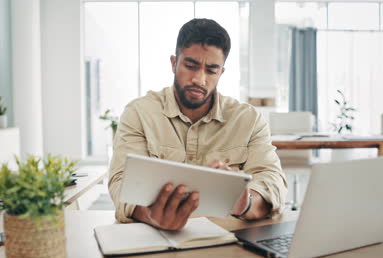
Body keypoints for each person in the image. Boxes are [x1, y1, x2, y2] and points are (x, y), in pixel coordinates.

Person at [108, 18, 287, 231]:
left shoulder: (248, 120)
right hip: (157, 240)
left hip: (228, 245)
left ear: (221, 72)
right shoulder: (139, 113)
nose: (199, 79)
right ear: (174, 63)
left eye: (211, 70)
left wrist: (245, 202)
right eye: (191, 66)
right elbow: (121, 182)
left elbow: (273, 180)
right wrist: (151, 215)